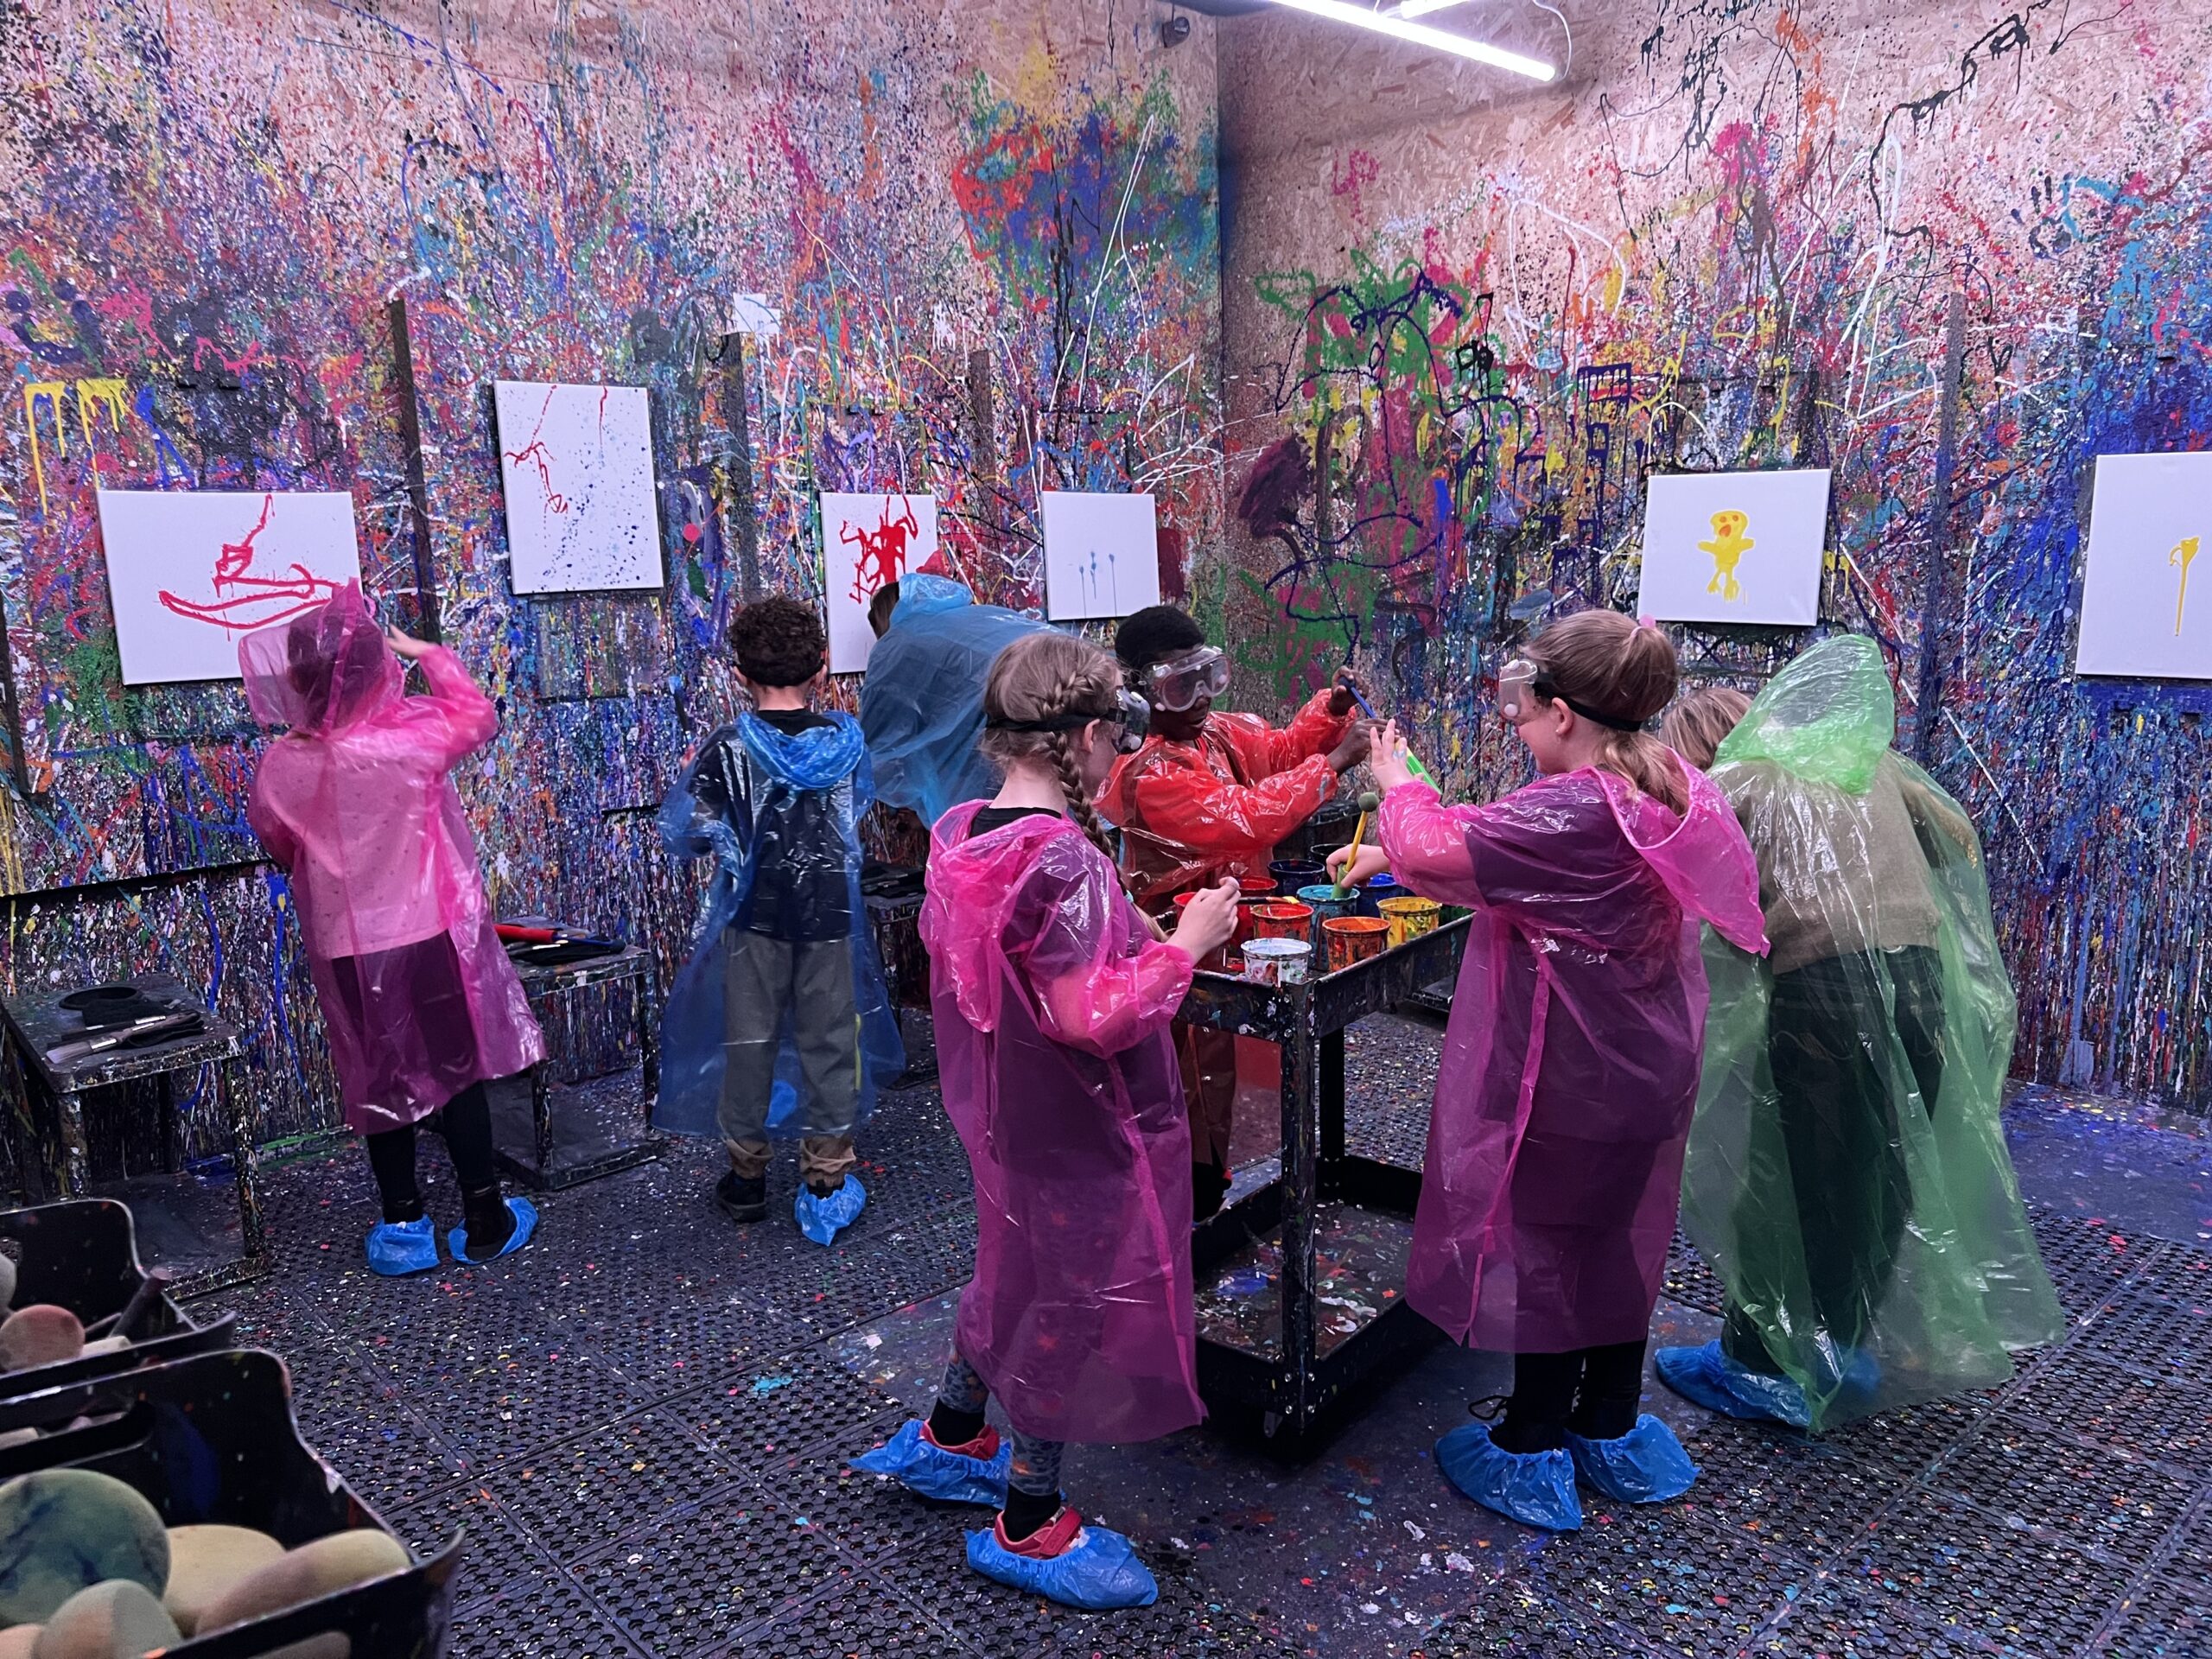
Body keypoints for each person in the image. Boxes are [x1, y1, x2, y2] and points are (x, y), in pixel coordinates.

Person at [1332, 611, 1765, 1531]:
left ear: (1561, 713)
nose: (1519, 729)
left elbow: (1443, 846)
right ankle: (1607, 1420)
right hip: (1648, 1063)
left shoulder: (1575, 807)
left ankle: (1530, 1437)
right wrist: (1387, 850)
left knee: (1549, 1251)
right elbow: (1509, 854)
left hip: (1571, 1073)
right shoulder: (1663, 780)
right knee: (1618, 1242)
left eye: (1522, 714)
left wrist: (1397, 783)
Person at [853, 631, 1237, 1610]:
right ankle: (1028, 1517)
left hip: (1009, 1117)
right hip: (1077, 1128)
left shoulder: (969, 831)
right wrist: (1186, 946)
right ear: (1093, 736)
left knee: (1010, 1272)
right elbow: (1088, 1016)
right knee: (1066, 1305)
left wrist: (1126, 927)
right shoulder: (1062, 861)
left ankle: (953, 1433)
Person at [1655, 639, 2063, 1432]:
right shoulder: (1860, 762)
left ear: (1699, 756)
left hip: (1825, 994)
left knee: (1787, 1182)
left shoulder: (1732, 786)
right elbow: (1958, 836)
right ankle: (1837, 1343)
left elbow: (1695, 906)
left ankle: (1760, 1366)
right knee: (1880, 1174)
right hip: (1920, 983)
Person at [240, 585, 542, 1275]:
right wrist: (432, 653)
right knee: (458, 1074)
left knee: (380, 1078)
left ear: (298, 680)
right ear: (379, 670)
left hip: (347, 948)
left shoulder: (284, 763)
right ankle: (484, 1215)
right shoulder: (412, 740)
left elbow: (280, 842)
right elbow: (478, 716)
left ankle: (404, 1225)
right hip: (428, 934)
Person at [1099, 605, 1370, 1218]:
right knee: (1188, 1076)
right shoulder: (1148, 769)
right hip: (1176, 936)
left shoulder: (1213, 733)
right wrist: (1333, 766)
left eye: (1207, 677)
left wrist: (1329, 712)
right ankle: (1188, 1201)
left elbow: (1276, 752)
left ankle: (1209, 1185)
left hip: (1228, 924)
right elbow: (1243, 817)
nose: (1199, 697)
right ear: (1141, 693)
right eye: (1180, 685)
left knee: (1227, 1069)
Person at [652, 596, 904, 1246]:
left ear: (740, 673)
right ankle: (825, 1179)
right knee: (831, 1042)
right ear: (822, 666)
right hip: (830, 915)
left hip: (754, 917)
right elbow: (853, 819)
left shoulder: (729, 747)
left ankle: (746, 1178)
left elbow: (689, 832)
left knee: (749, 1043)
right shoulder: (845, 744)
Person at [858, 573, 1056, 830]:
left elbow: (883, 744)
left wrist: (925, 807)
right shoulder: (983, 621)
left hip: (982, 781)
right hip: (1038, 753)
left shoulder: (900, 650)